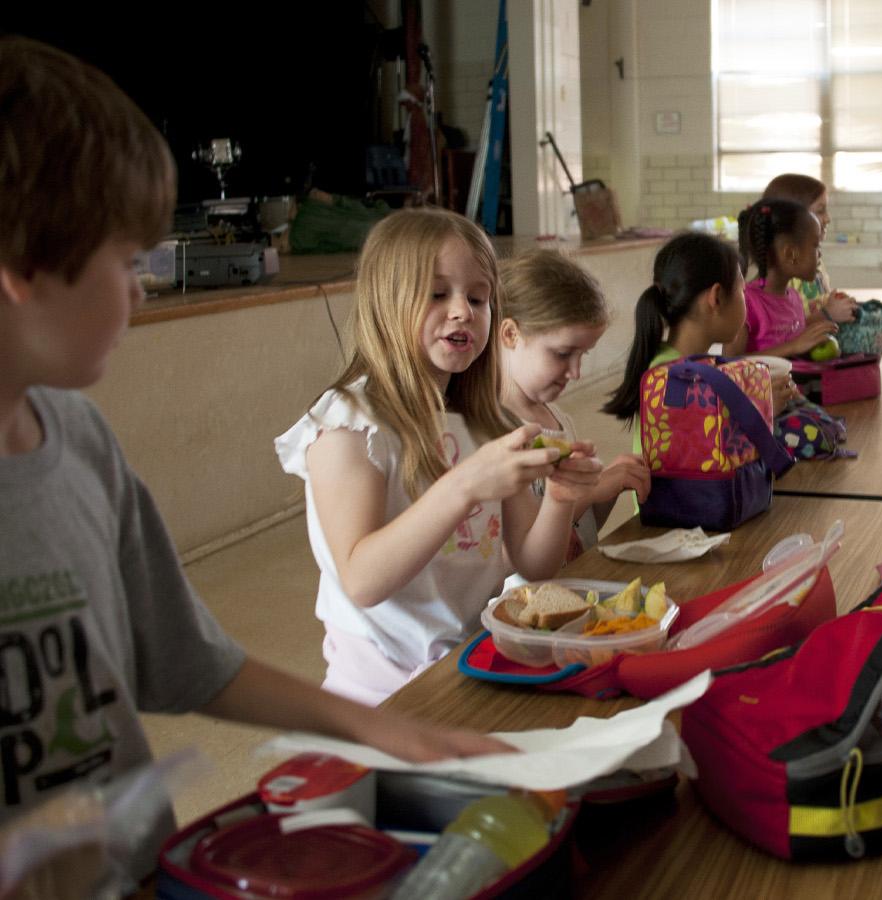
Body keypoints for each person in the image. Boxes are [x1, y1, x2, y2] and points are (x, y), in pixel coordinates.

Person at [0, 37, 507, 883]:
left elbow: (191, 661)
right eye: (126, 262)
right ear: (26, 267)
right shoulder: (350, 427)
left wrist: (386, 729)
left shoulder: (81, 442)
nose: (140, 290)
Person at [275, 208, 601, 706]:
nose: (462, 311)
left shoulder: (486, 421)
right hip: (377, 698)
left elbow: (533, 565)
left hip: (468, 671)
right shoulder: (349, 423)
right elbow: (362, 579)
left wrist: (560, 497)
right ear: (387, 302)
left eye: (477, 297)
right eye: (437, 294)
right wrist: (466, 484)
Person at [496, 250, 648, 551]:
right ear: (512, 334)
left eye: (583, 355)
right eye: (563, 354)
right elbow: (516, 550)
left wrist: (608, 486)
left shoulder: (558, 419)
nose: (576, 372)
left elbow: (579, 533)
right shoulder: (497, 432)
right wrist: (589, 493)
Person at [602, 231, 758, 452]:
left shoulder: (677, 364)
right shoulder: (674, 377)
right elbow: (705, 452)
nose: (746, 301)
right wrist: (762, 413)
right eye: (742, 291)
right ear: (716, 297)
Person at [725, 198, 838, 358]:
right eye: (816, 245)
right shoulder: (746, 302)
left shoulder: (794, 297)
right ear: (790, 254)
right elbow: (730, 363)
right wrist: (794, 346)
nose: (819, 253)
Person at [761, 173, 857, 324]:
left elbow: (816, 301)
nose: (828, 218)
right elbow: (780, 333)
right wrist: (827, 314)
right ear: (792, 218)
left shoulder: (814, 259)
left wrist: (835, 303)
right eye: (820, 211)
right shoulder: (780, 274)